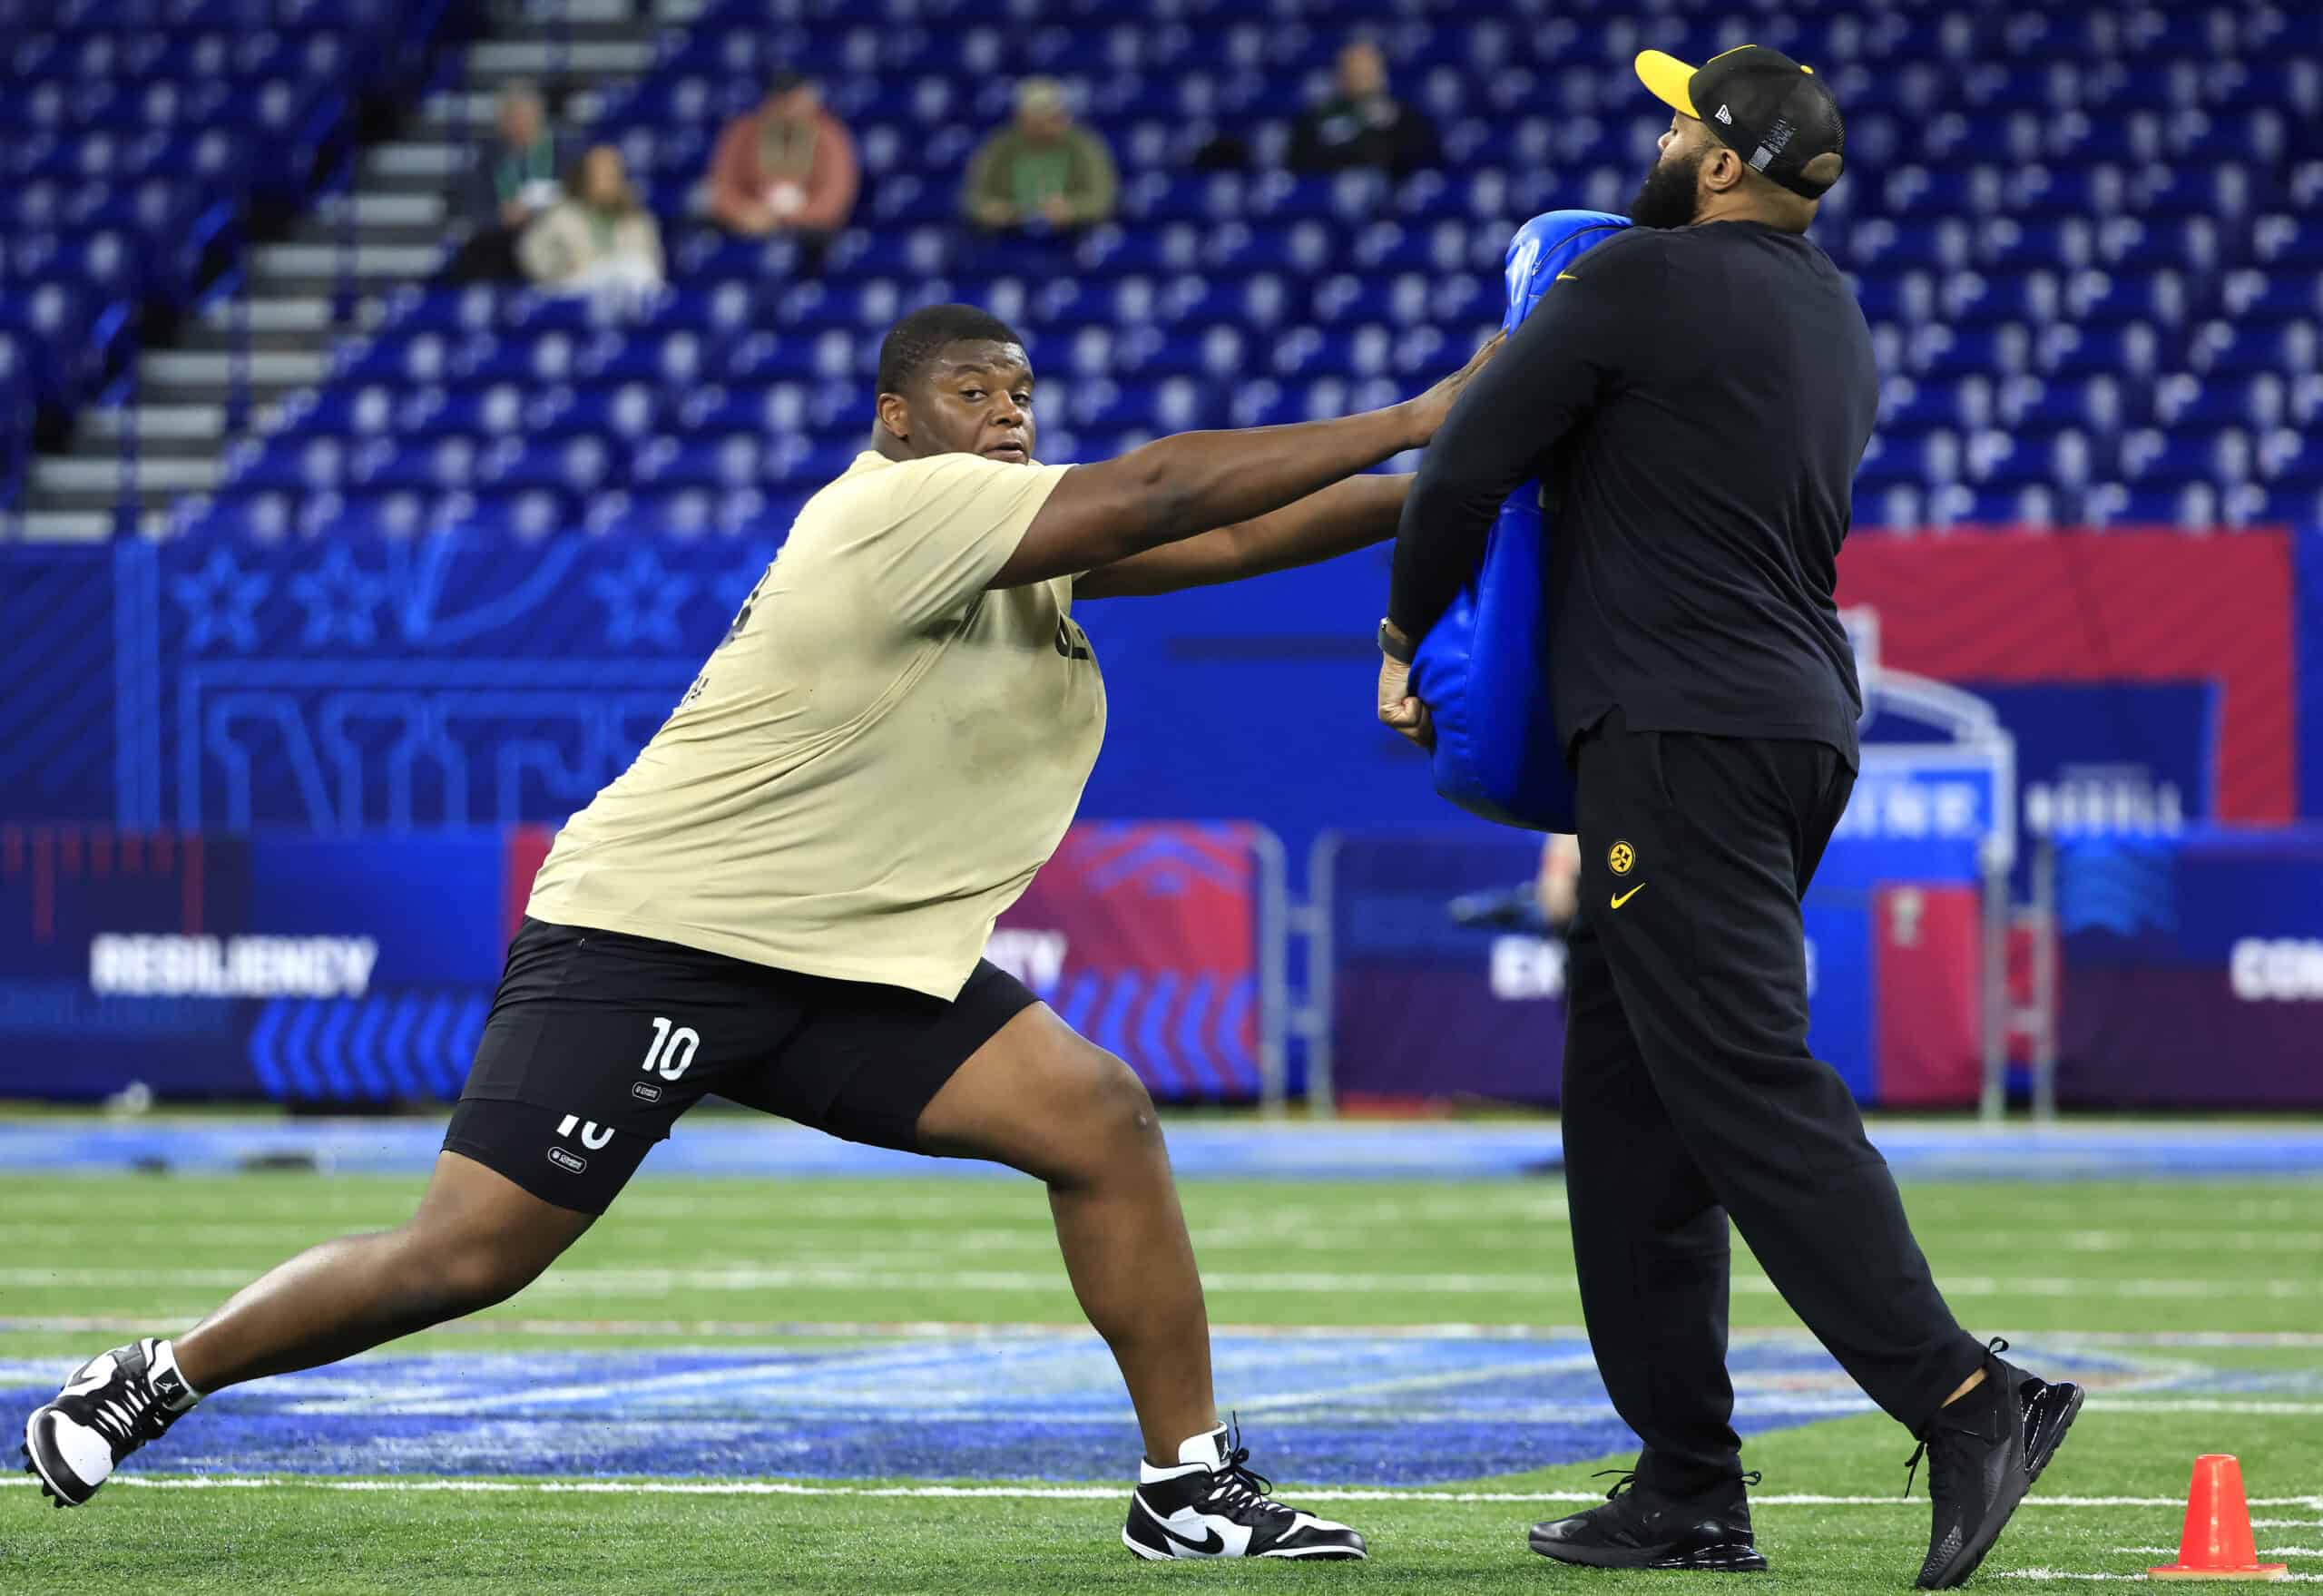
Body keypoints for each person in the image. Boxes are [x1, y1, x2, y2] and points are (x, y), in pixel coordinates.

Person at [23, 303, 1498, 1563]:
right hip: (660, 934)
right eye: (971, 392)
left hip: (847, 960)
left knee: (1100, 1115)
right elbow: (1174, 487)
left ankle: (1186, 1484)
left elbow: (1242, 530)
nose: (1004, 411)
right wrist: (1431, 411)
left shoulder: (1010, 538)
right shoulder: (891, 508)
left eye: (1022, 394)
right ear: (896, 420)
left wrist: (1465, 475)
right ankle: (156, 1374)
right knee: (464, 1257)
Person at [1375, 45, 2081, 1589]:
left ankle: (1969, 1394)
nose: (1657, 129)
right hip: (1788, 721)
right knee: (1632, 1119)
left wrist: (1402, 636)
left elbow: (1463, 470)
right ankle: (1687, 1483)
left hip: (1682, 734)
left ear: (1719, 161)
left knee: (1742, 1078)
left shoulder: (1635, 278)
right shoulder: (1832, 315)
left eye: (1677, 116)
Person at [707, 72, 858, 245]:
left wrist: (787, 218)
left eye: (797, 102)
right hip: (750, 219)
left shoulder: (830, 135)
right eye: (784, 104)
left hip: (806, 227)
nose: (791, 111)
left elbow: (834, 196)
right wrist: (743, 213)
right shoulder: (743, 132)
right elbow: (723, 186)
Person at [963, 77, 1117, 233]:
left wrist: (1073, 209)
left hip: (1071, 235)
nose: (1042, 128)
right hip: (1009, 234)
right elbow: (973, 198)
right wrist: (991, 210)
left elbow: (1103, 199)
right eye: (1034, 121)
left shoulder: (1085, 145)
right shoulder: (999, 146)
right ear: (1020, 119)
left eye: (1048, 119)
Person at [445, 82, 559, 284]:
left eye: (522, 116)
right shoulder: (489, 157)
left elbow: (574, 200)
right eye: (510, 117)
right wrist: (502, 217)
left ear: (537, 117)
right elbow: (474, 208)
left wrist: (533, 213)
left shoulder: (561, 154)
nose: (517, 124)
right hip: (501, 243)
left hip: (552, 238)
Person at [518, 144, 665, 297]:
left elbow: (651, 267)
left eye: (611, 173)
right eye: (598, 173)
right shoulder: (561, 215)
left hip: (624, 294)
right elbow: (531, 254)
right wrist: (560, 269)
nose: (605, 180)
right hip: (576, 290)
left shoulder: (638, 220)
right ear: (584, 177)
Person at [1287, 38, 1440, 179]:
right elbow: (1300, 162)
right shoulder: (1317, 117)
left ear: (1382, 75)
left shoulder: (1404, 116)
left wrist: (1390, 128)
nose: (1360, 77)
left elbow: (1423, 161)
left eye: (1367, 71)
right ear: (1339, 76)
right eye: (1352, 70)